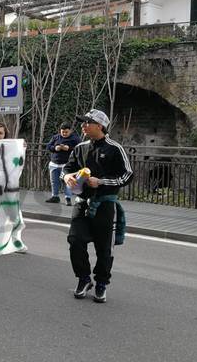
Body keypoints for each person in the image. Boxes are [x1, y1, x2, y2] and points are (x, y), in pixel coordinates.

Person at [62, 109, 133, 303]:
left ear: (99, 126)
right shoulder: (80, 147)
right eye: (82, 122)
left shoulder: (114, 148)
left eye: (87, 122)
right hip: (82, 203)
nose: (83, 125)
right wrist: (67, 176)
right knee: (75, 240)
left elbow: (127, 175)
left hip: (104, 204)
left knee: (104, 249)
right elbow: (67, 168)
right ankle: (84, 278)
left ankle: (101, 283)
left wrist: (101, 182)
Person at [45, 122, 81, 206]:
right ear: (60, 131)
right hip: (54, 163)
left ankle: (68, 198)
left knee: (67, 182)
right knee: (54, 181)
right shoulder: (55, 137)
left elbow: (80, 149)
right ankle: (55, 197)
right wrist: (55, 148)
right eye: (62, 132)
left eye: (66, 132)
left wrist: (69, 148)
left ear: (70, 131)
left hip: (67, 165)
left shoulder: (75, 139)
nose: (64, 133)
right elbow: (48, 146)